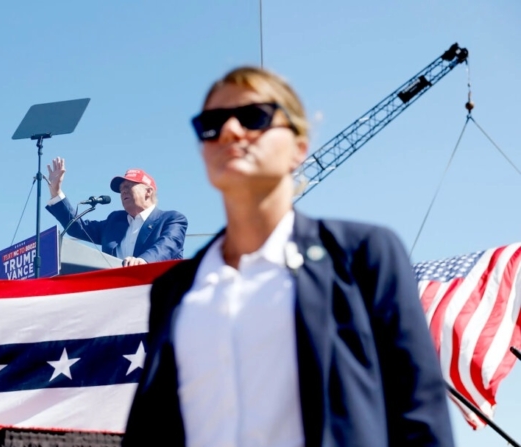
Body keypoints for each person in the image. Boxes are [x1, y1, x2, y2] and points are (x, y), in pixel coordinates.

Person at [123, 67, 454, 446]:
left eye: (254, 117)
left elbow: (420, 419)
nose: (230, 131)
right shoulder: (173, 291)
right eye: (211, 124)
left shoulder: (363, 256)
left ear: (299, 147)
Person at [45, 158, 187, 266]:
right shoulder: (115, 221)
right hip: (117, 294)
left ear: (148, 192)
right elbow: (77, 228)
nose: (123, 191)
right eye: (121, 189)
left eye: (128, 186)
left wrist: (143, 261)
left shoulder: (172, 219)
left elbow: (166, 246)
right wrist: (55, 192)